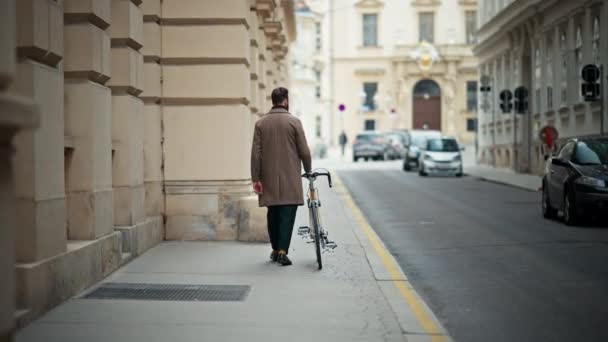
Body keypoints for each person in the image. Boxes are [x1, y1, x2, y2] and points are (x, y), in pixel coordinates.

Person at [251, 87, 312, 266]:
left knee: (273, 212)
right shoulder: (294, 122)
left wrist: (256, 178)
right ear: (285, 100)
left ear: (273, 100)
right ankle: (283, 251)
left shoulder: (260, 124)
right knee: (287, 213)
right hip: (290, 178)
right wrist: (308, 170)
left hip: (268, 177)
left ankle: (275, 249)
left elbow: (256, 153)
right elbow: (304, 151)